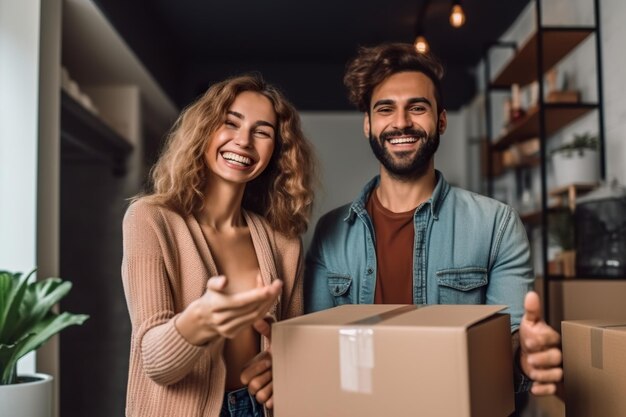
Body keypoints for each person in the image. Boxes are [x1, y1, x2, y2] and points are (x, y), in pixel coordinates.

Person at [304, 43, 562, 398]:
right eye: (385, 109)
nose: (401, 122)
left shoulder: (496, 225)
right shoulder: (330, 233)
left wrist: (525, 360)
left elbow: (510, 342)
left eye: (417, 107)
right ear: (368, 124)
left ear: (441, 119)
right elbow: (317, 351)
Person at [121, 74, 315, 417]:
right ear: (205, 130)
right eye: (230, 123)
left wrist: (281, 367)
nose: (243, 141)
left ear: (276, 151)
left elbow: (292, 348)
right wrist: (201, 321)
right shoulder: (150, 219)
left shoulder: (285, 243)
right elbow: (155, 362)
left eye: (262, 132)